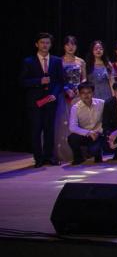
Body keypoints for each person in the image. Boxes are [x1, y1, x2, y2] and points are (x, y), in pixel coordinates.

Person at [22, 32, 64, 167]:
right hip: (35, 102)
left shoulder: (57, 60)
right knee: (36, 130)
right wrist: (39, 81)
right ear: (37, 44)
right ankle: (38, 159)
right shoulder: (28, 61)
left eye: (47, 43)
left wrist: (55, 94)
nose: (45, 45)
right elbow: (23, 81)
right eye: (42, 42)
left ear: (51, 45)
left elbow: (60, 81)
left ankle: (49, 157)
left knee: (49, 129)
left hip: (51, 100)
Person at [67, 81, 108, 165]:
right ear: (79, 94)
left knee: (94, 150)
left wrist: (98, 132)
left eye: (89, 92)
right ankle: (78, 158)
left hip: (99, 134)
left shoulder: (102, 103)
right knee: (72, 138)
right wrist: (89, 133)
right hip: (85, 135)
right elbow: (72, 127)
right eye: (83, 93)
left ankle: (98, 153)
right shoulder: (75, 108)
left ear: (93, 93)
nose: (86, 95)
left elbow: (107, 120)